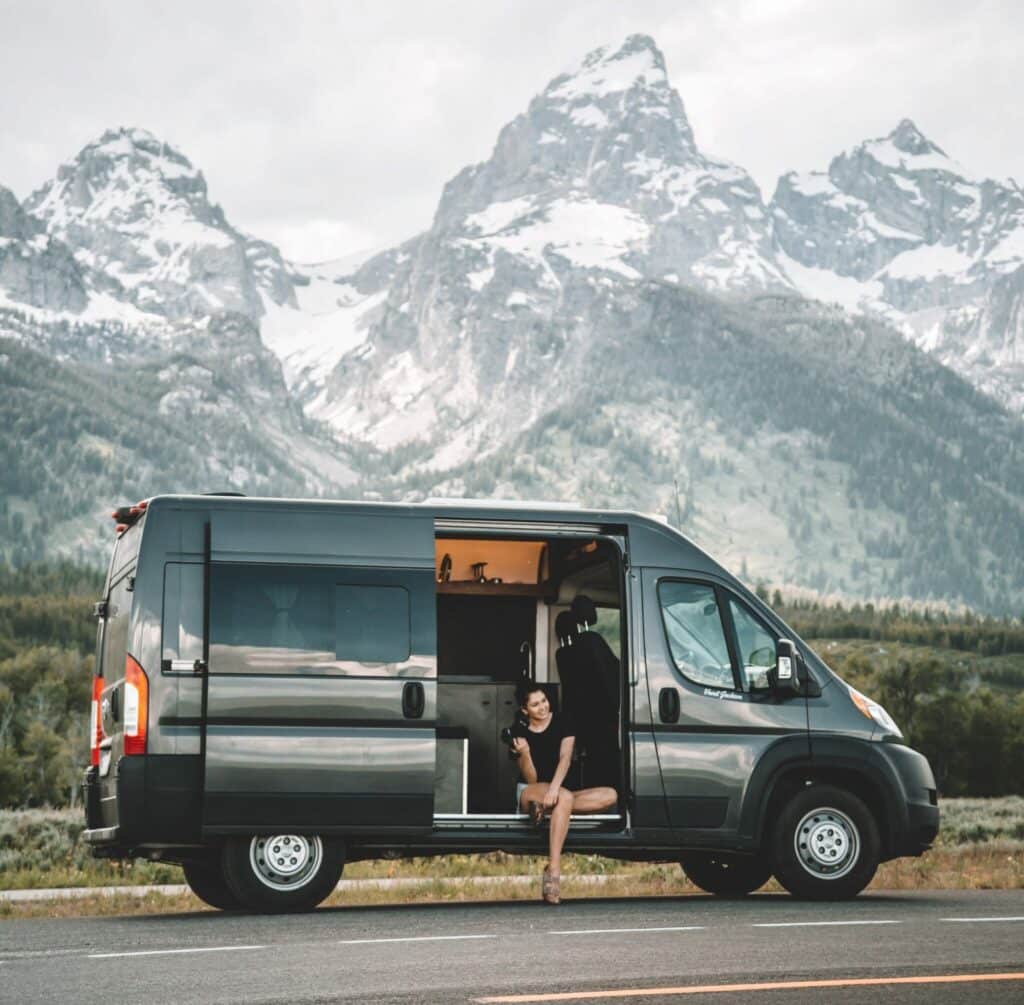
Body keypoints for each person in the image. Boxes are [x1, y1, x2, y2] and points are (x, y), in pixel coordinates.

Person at [510, 682, 618, 904]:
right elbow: (531, 779)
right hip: (530, 791)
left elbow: (565, 758)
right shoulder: (519, 732)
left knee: (610, 795)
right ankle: (554, 869)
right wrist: (525, 753)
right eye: (535, 704)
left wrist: (553, 791)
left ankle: (549, 809)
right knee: (565, 798)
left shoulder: (563, 721)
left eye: (544, 701)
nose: (542, 707)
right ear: (524, 710)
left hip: (556, 790)